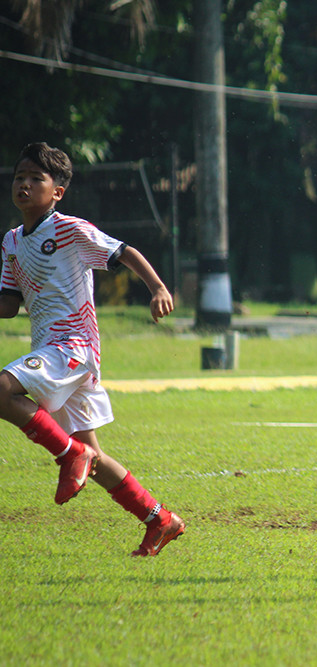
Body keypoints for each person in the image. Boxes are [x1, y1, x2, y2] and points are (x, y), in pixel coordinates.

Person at [2, 142, 185, 557]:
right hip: (51, 349)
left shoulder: (69, 229)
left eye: (36, 179)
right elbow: (9, 305)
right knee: (96, 459)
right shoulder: (12, 241)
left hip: (73, 346)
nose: (24, 185)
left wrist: (157, 288)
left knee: (2, 391)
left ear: (58, 192)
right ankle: (159, 519)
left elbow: (124, 252)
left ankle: (70, 454)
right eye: (19, 177)